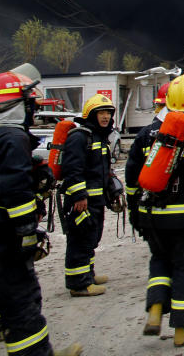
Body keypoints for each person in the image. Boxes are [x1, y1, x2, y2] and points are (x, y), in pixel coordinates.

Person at [0, 69, 83, 356]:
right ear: (16, 105)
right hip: (5, 237)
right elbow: (15, 192)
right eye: (29, 104)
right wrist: (26, 231)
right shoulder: (12, 138)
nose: (32, 110)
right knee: (22, 299)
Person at [126, 73, 184, 347]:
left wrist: (133, 210)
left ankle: (155, 310)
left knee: (160, 260)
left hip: (151, 214)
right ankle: (183, 329)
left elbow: (131, 176)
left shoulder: (147, 132)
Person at [61, 93, 115, 297]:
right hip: (81, 202)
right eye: (101, 112)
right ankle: (79, 283)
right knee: (80, 239)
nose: (105, 117)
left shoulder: (98, 138)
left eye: (108, 113)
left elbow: (101, 171)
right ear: (90, 115)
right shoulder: (79, 137)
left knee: (92, 237)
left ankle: (88, 274)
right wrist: (79, 196)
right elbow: (72, 169)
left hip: (95, 201)